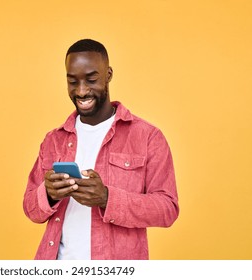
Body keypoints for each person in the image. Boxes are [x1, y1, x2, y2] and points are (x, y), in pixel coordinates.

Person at [23, 39, 179, 260]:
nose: (81, 90)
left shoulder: (148, 137)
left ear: (108, 75)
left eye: (91, 79)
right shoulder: (53, 140)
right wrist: (48, 194)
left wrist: (107, 198)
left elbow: (168, 209)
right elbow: (31, 209)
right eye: (72, 81)